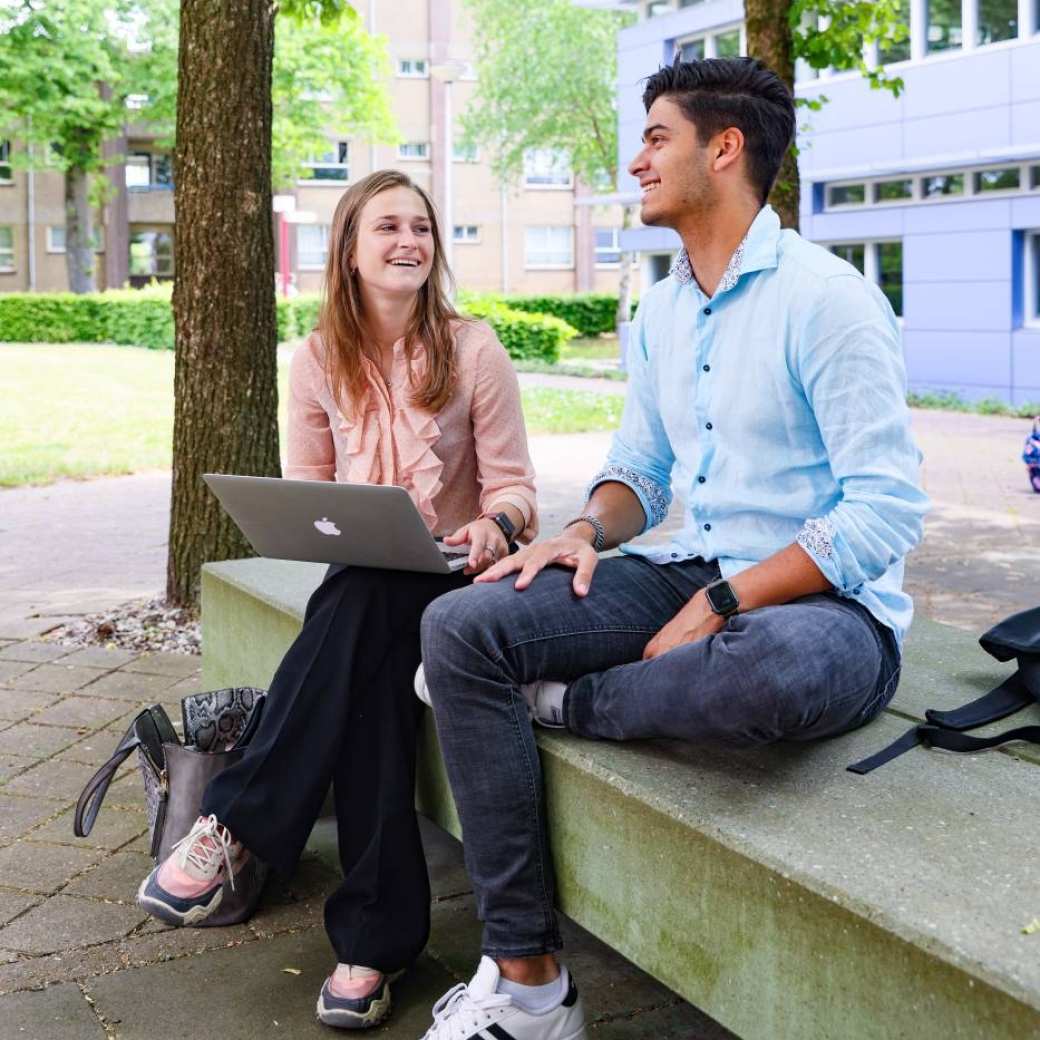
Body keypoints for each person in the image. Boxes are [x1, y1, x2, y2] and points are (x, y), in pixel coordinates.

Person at [415, 57, 930, 1039]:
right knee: (460, 622)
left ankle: (565, 701)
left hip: (829, 608)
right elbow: (640, 474)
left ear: (722, 147)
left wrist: (729, 601)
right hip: (685, 568)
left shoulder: (827, 300)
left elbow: (884, 509)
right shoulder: (659, 308)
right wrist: (576, 531)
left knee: (765, 670)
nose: (636, 157)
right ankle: (526, 980)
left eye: (656, 136)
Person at [135, 169, 538, 1031]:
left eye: (422, 229)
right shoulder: (318, 359)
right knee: (369, 672)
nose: (409, 243)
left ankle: (238, 824)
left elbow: (516, 491)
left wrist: (494, 527)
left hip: (462, 585)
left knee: (362, 606)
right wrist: (337, 529)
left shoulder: (475, 349)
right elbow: (310, 494)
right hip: (366, 591)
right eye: (388, 227)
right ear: (349, 250)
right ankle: (372, 945)